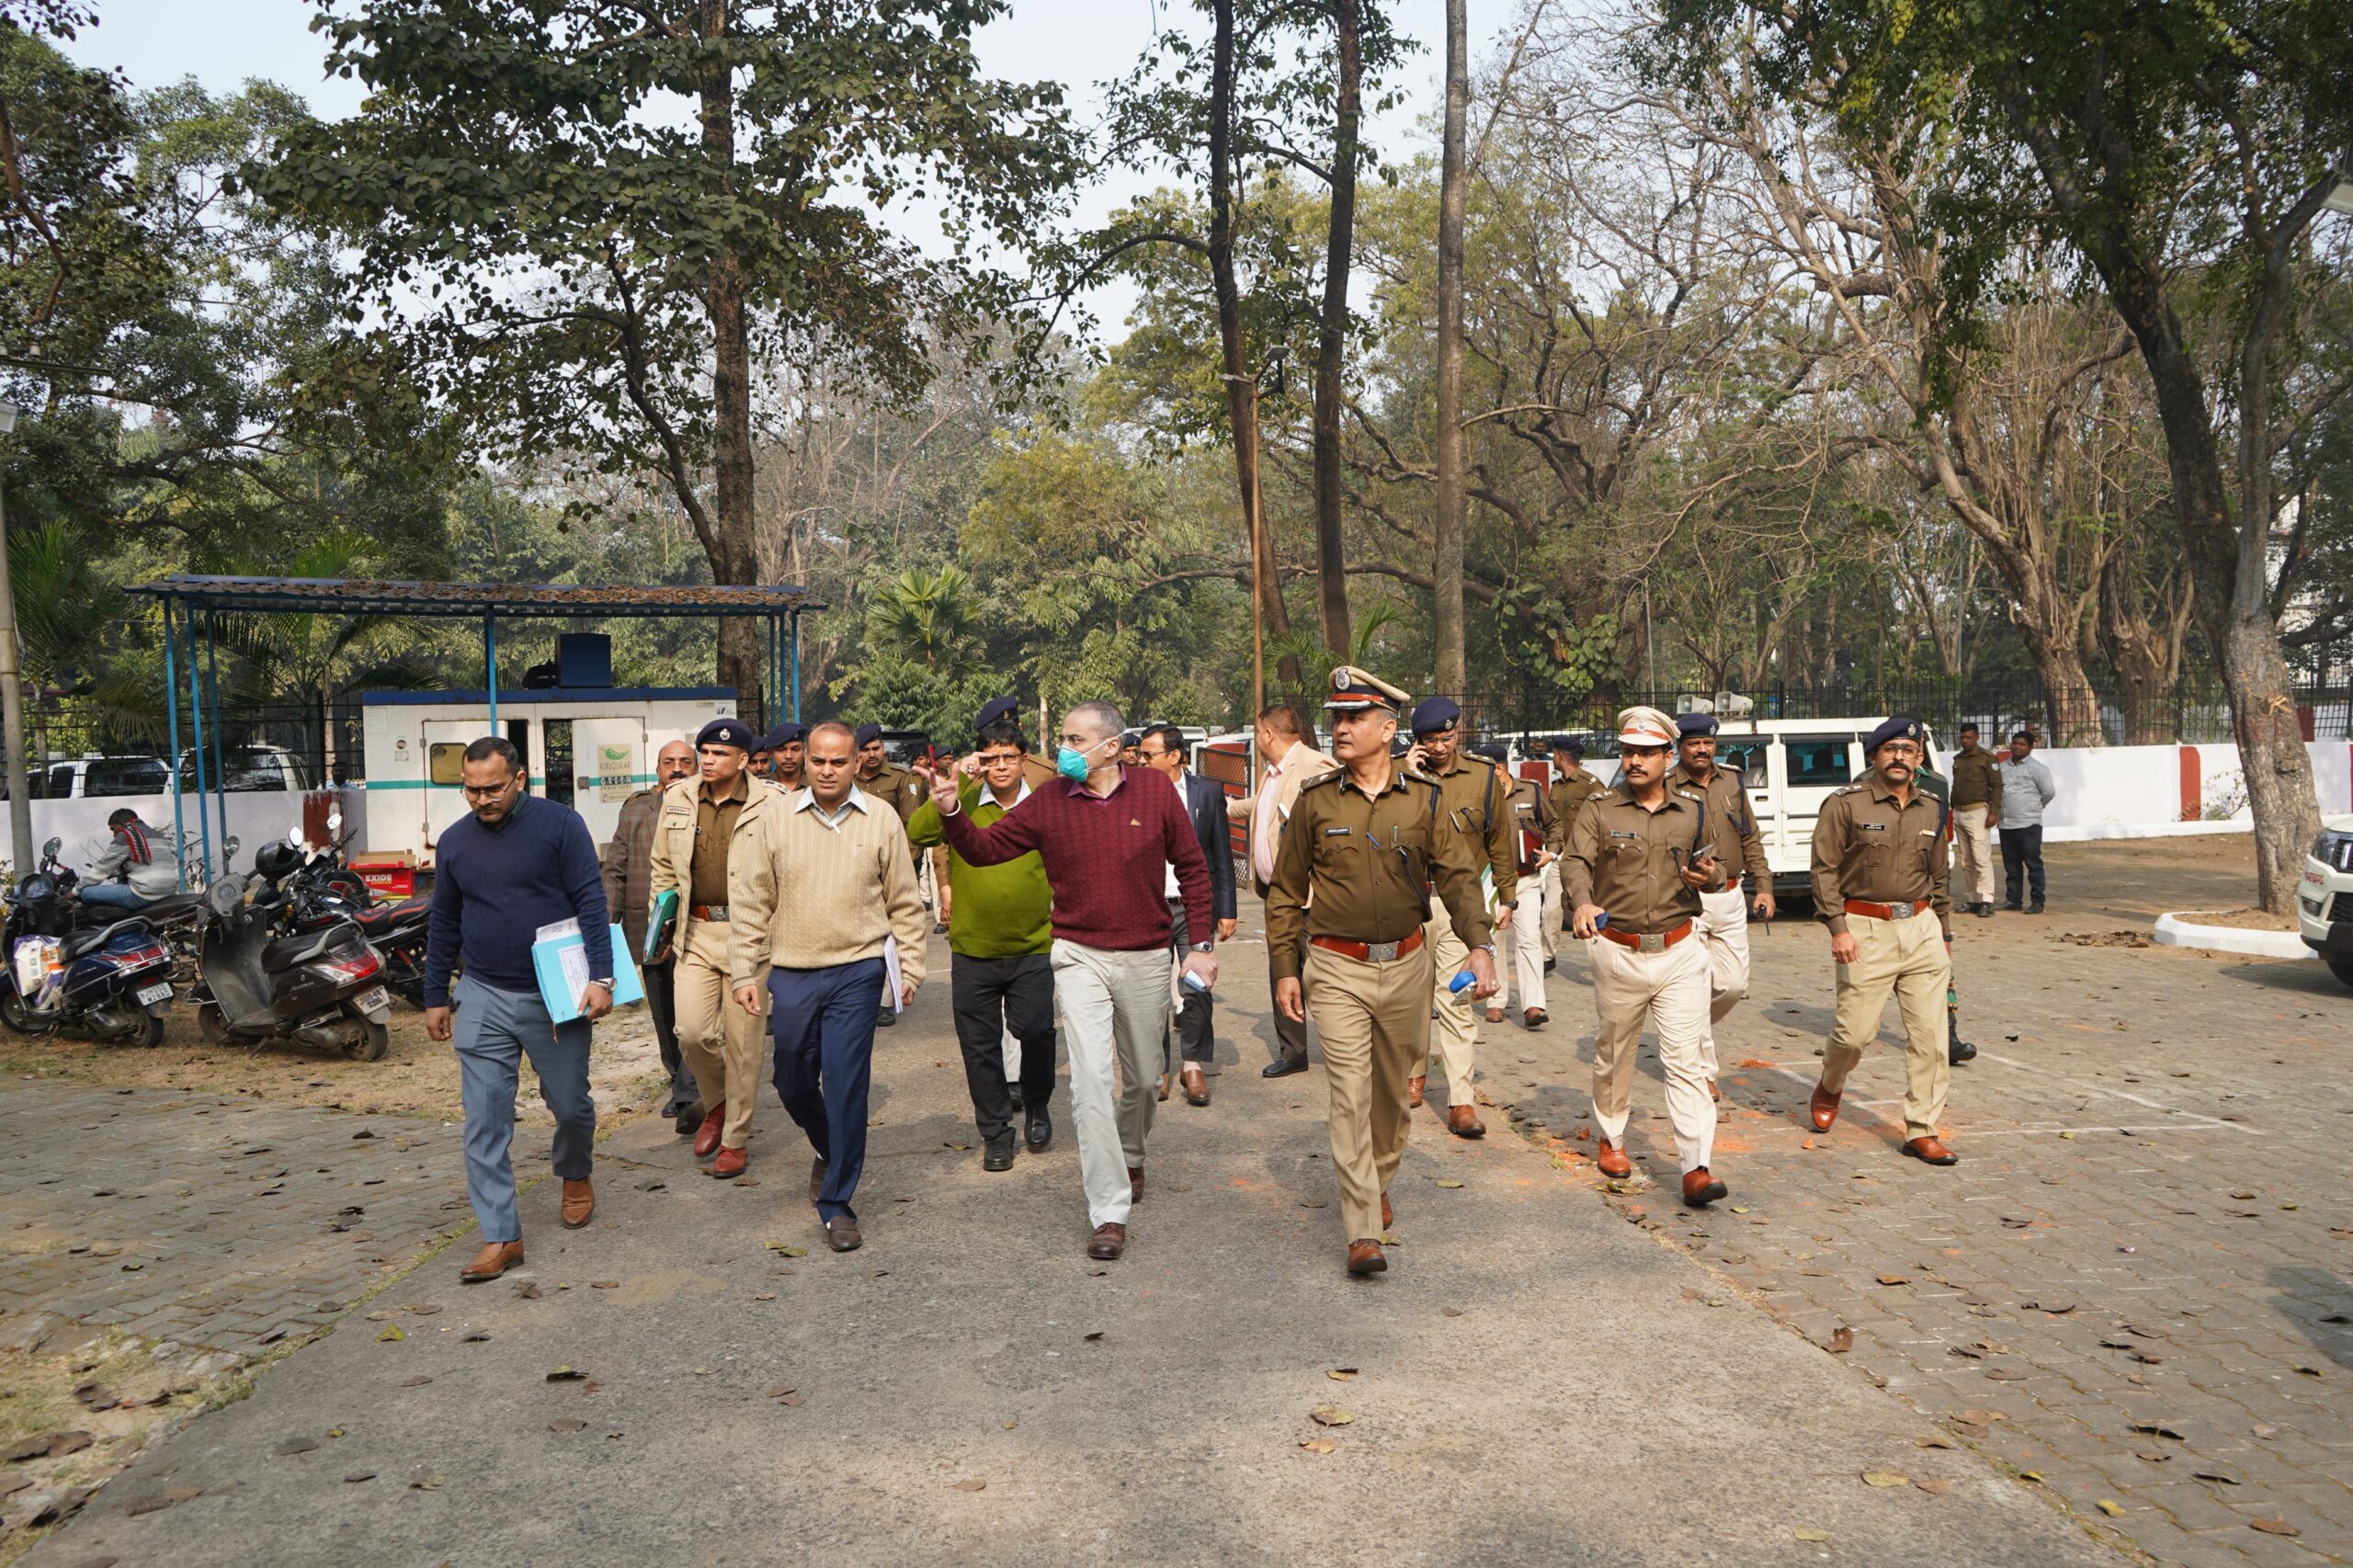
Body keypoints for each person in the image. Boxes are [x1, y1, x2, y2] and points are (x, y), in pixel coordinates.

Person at [921, 700, 1214, 1264]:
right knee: (1089, 1081)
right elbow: (984, 851)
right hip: (1079, 955)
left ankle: (1131, 1152)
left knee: (1145, 1079)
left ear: (1111, 746)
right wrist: (952, 809)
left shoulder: (1154, 791)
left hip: (1147, 954)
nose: (1063, 750)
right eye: (1063, 738)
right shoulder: (1051, 800)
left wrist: (1198, 947)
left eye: (1075, 740)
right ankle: (1108, 1210)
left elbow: (1194, 869)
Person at [1267, 667, 1497, 1275]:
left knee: (1393, 1099)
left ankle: (1378, 1177)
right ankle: (1362, 1229)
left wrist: (1480, 945)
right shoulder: (1316, 801)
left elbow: (1458, 878)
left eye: (1354, 718)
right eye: (1337, 718)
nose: (1341, 728)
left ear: (1388, 729)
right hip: (1336, 967)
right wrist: (1285, 967)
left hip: (1406, 966)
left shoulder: (1425, 798)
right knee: (1349, 1095)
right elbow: (1286, 892)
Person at [728, 722, 928, 1253]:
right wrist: (744, 971)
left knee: (845, 1084)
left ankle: (837, 1203)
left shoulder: (881, 818)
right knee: (791, 1080)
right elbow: (752, 900)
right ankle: (830, 1146)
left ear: (856, 763)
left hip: (858, 970)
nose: (827, 770)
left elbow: (904, 900)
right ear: (804, 760)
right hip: (792, 971)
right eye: (818, 760)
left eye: (839, 762)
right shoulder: (775, 819)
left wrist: (910, 969)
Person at [423, 737, 615, 1284]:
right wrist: (435, 994)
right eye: (471, 790)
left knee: (570, 1105)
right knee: (485, 1119)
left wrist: (601, 977)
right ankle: (502, 1235)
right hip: (483, 993)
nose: (481, 799)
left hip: (554, 995)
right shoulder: (454, 842)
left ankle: (574, 1171)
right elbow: (445, 920)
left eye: (492, 789)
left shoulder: (561, 826)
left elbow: (591, 901)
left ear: (520, 778)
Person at [1564, 707, 1730, 1208]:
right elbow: (1575, 862)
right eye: (1628, 752)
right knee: (1616, 1053)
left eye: (1645, 753)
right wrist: (1583, 902)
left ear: (1667, 756)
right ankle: (1612, 1137)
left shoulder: (1692, 810)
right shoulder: (1600, 808)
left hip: (1680, 951)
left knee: (1685, 1060)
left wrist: (1712, 877)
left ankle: (1696, 1167)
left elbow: (1717, 866)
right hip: (1620, 951)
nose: (1634, 761)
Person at [1805, 716, 1961, 1166]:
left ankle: (1922, 1129)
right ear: (1874, 756)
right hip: (1863, 927)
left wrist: (1944, 933)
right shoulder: (1845, 804)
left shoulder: (1932, 807)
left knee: (1932, 1039)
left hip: (1921, 927)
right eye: (1890, 749)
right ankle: (1831, 1084)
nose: (1899, 757)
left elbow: (1939, 875)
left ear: (1919, 758)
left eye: (1908, 751)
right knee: (1854, 1035)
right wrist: (1838, 928)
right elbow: (1823, 870)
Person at [905, 719, 1057, 1169]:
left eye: (1010, 756)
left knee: (1036, 1032)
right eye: (991, 757)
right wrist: (945, 797)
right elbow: (919, 834)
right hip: (974, 949)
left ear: (1024, 760)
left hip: (1033, 946)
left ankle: (1037, 1104)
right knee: (979, 1046)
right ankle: (995, 1132)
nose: (1001, 765)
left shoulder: (1044, 803)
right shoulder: (965, 799)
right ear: (980, 761)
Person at [650, 719, 783, 1181]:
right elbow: (662, 865)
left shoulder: (773, 802)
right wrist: (663, 921)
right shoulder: (678, 797)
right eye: (704, 752)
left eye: (720, 754)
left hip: (750, 936)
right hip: (696, 932)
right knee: (690, 1032)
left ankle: (735, 1139)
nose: (708, 760)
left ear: (744, 760)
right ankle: (718, 1102)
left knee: (744, 1045)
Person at [1404, 698, 1515, 1136]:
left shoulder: (1483, 776)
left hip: (1461, 906)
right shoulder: (1398, 774)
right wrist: (1407, 777)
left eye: (1446, 738)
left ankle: (1461, 1100)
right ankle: (1412, 1074)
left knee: (1456, 999)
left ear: (1458, 733)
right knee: (1411, 997)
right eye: (1430, 739)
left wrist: (1507, 895)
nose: (1439, 747)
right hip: (1410, 903)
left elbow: (1500, 839)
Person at [1665, 712, 1773, 1101]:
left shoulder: (1732, 781)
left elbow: (1750, 837)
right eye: (1694, 743)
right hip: (1686, 898)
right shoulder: (1666, 786)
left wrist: (1764, 886)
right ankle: (1702, 1071)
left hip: (1729, 895)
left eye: (1708, 743)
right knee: (1695, 984)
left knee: (1732, 984)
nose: (1702, 749)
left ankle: (1680, 1029)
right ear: (1680, 748)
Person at [1228, 703, 1337, 1077]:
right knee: (1283, 971)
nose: (1257, 739)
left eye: (1257, 732)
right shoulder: (1274, 772)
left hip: (1310, 896)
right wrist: (1224, 807)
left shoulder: (1313, 765)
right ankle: (1293, 1052)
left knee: (1321, 975)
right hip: (1277, 894)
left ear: (1268, 734)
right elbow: (1264, 807)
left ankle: (1346, 1049)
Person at [601, 738, 701, 1132]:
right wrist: (607, 925)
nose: (677, 768)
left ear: (696, 767)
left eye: (685, 762)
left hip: (697, 929)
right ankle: (679, 1080)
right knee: (664, 1013)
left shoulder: (706, 805)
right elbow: (615, 870)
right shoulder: (635, 810)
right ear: (657, 769)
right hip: (650, 929)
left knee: (694, 1013)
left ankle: (689, 1092)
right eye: (669, 762)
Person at [1136, 722, 1239, 1106]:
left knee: (1197, 988)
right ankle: (1159, 1068)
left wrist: (1226, 908)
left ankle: (1192, 1065)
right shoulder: (1133, 794)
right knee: (1150, 993)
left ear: (1175, 756)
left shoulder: (1207, 793)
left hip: (1194, 908)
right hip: (1149, 908)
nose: (1141, 761)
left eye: (1148, 755)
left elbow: (1221, 854)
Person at [852, 722, 926, 1024]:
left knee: (890, 933)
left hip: (892, 866)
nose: (872, 754)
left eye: (877, 748)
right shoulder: (847, 778)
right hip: (854, 868)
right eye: (866, 749)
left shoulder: (899, 777)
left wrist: (904, 867)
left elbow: (911, 825)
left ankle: (885, 999)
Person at [1475, 742, 1553, 1029]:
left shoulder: (1530, 791)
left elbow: (1554, 825)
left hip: (1525, 879)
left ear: (1498, 769)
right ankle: (1495, 1001)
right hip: (1491, 881)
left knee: (1530, 939)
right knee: (1494, 941)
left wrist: (1551, 852)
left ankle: (1534, 1005)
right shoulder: (1478, 797)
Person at [1543, 737, 1607, 965]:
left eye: (1554, 754)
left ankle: (1600, 959)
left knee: (1589, 910)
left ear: (1560, 756)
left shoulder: (1591, 785)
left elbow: (1605, 820)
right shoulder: (1556, 787)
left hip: (1585, 859)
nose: (1552, 758)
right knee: (1550, 909)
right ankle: (1547, 956)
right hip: (1560, 856)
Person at [1947, 723, 2003, 917]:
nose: (1965, 741)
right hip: (1959, 812)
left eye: (1969, 737)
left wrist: (1994, 811)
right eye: (1962, 737)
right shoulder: (1958, 759)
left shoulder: (1987, 758)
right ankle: (1974, 899)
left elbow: (1997, 786)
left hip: (1978, 812)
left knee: (1981, 858)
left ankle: (1987, 900)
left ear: (1977, 737)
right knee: (1966, 860)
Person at [1997, 730, 2055, 914]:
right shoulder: (2002, 768)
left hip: (2029, 824)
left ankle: (2037, 901)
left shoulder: (2038, 769)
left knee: (2033, 863)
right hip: (2006, 824)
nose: (2017, 747)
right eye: (2015, 743)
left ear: (2030, 747)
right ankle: (2013, 899)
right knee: (2011, 865)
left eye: (2022, 744)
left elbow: (2048, 793)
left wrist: (2034, 807)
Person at [82, 810, 181, 910]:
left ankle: (121, 912)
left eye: (113, 829)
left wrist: (75, 891)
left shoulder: (126, 835)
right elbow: (143, 866)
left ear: (121, 824)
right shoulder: (157, 835)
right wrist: (113, 873)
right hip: (168, 892)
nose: (114, 835)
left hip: (145, 895)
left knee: (85, 893)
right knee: (122, 877)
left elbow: (103, 867)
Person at [766, 722, 808, 793]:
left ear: (804, 750)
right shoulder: (760, 785)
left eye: (795, 749)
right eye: (781, 750)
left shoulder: (816, 783)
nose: (788, 756)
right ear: (771, 753)